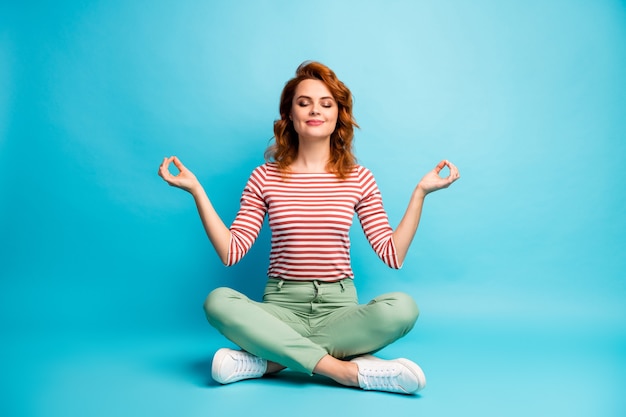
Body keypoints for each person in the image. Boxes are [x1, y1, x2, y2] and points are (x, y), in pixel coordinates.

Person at [158, 61, 460, 394]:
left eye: (326, 103)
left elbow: (393, 255)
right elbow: (232, 252)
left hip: (339, 311)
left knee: (403, 308)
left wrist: (420, 193)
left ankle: (268, 361)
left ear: (338, 116)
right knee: (217, 301)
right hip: (280, 308)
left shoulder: (360, 179)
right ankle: (347, 370)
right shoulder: (264, 177)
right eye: (304, 102)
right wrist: (197, 190)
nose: (315, 110)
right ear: (289, 116)